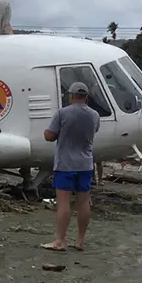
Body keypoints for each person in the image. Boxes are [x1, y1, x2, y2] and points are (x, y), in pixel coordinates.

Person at [41, 82, 100, 252]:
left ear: (71, 95)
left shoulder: (63, 113)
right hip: (86, 164)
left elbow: (49, 136)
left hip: (65, 164)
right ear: (86, 97)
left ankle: (60, 240)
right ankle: (80, 240)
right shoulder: (94, 115)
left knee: (64, 202)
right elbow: (94, 131)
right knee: (83, 202)